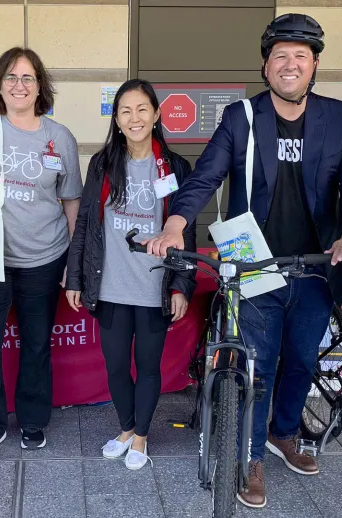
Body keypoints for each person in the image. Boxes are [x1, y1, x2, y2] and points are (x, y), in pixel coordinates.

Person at [143, 13, 342, 508]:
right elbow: (205, 177)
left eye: (300, 56)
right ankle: (249, 456)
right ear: (265, 65)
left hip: (316, 263)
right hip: (253, 264)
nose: (289, 65)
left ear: (314, 65)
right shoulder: (241, 118)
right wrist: (176, 223)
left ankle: (284, 432)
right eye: (280, 56)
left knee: (301, 359)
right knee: (257, 365)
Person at [0, 47, 83, 458]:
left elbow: (71, 202)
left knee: (37, 342)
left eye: (27, 78)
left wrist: (74, 263)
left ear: (40, 85)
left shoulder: (59, 137)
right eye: (11, 77)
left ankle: (32, 420)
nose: (19, 85)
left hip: (45, 256)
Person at [64, 79, 197, 470]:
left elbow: (187, 233)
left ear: (156, 115)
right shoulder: (103, 164)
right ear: (117, 119)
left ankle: (140, 437)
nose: (134, 117)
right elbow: (86, 223)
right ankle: (125, 428)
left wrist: (180, 285)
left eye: (142, 109)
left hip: (154, 285)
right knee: (117, 365)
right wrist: (75, 277)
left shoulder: (175, 167)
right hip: (110, 284)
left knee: (149, 366)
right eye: (125, 110)